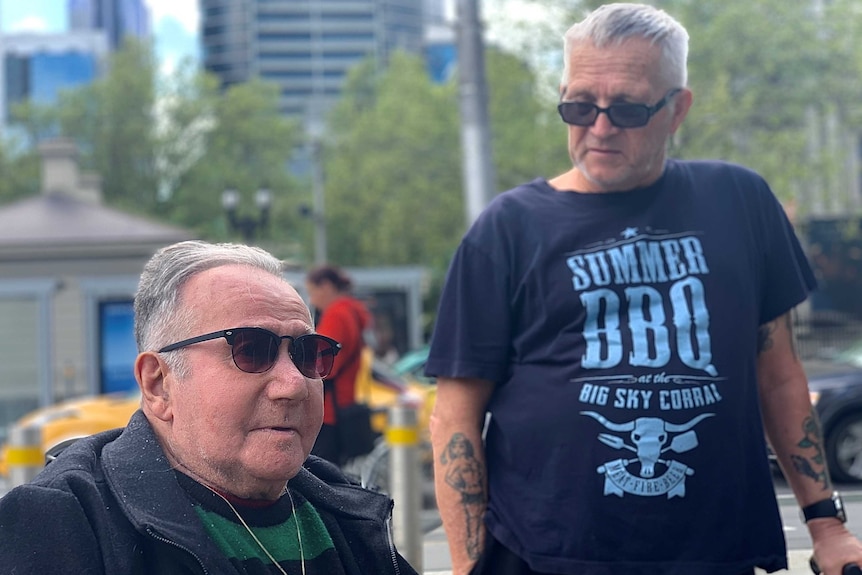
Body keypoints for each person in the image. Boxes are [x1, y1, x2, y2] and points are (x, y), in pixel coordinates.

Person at [425, 4, 862, 575]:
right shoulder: (507, 228)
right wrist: (467, 567)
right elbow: (455, 415)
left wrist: (827, 525)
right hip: (541, 557)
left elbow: (777, 373)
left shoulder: (740, 202)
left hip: (711, 554)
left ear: (677, 108)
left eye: (628, 108)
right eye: (579, 105)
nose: (600, 127)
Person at [0, 240, 419, 575]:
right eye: (252, 350)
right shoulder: (67, 522)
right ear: (158, 383)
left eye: (308, 354)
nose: (293, 384)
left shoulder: (347, 510)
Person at [305, 264, 373, 465]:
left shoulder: (336, 314)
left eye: (312, 292)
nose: (312, 299)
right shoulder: (351, 312)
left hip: (330, 411)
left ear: (325, 286)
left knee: (320, 477)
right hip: (344, 402)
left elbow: (324, 365)